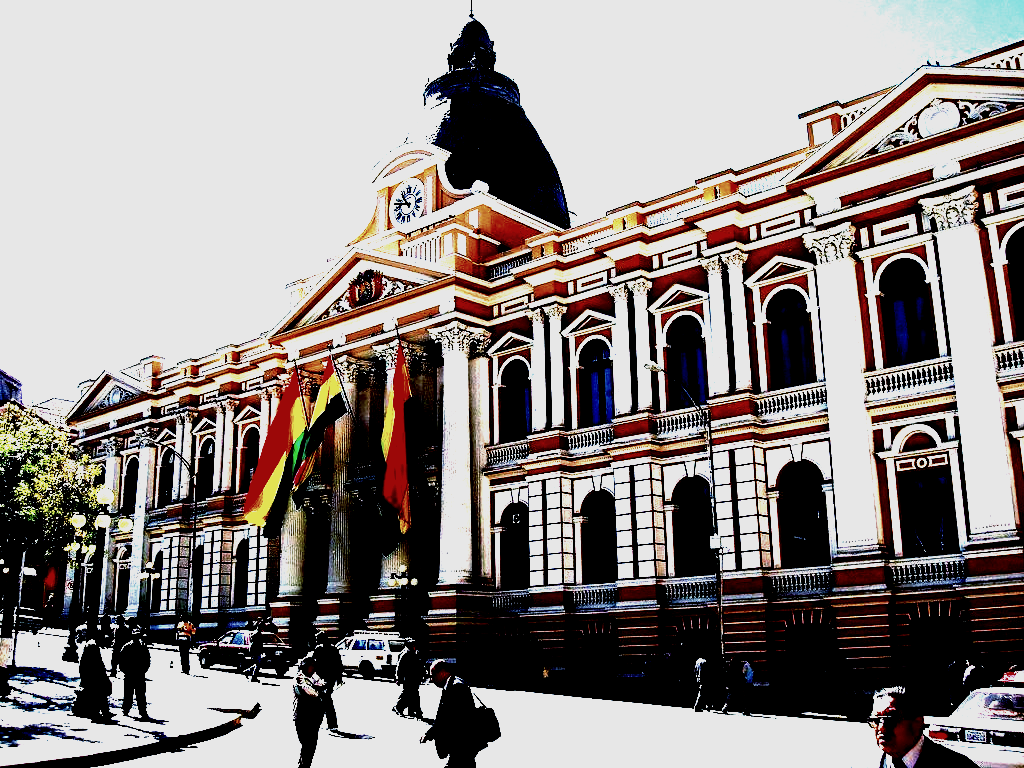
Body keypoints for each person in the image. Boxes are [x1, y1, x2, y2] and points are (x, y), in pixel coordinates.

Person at [869, 686, 979, 767]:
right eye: (876, 720)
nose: (881, 728)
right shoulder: (869, 762)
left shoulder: (958, 765)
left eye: (891, 719)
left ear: (917, 722)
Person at [420, 660, 482, 768]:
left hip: (462, 744)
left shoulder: (456, 687)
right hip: (462, 745)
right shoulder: (452, 684)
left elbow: (451, 719)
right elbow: (443, 716)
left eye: (432, 675)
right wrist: (429, 734)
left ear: (442, 673)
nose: (431, 679)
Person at [293, 654, 328, 768]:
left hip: (315, 716)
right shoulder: (300, 678)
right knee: (306, 743)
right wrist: (319, 690)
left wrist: (323, 687)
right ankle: (303, 764)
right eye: (310, 666)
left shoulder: (314, 676)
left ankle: (304, 765)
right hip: (303, 716)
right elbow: (309, 692)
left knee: (310, 745)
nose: (313, 668)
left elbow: (322, 683)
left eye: (314, 666)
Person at [75, 626, 113, 722]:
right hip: (93, 675)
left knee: (99, 694)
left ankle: (103, 712)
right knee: (99, 694)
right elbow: (97, 664)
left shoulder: (91, 645)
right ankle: (100, 713)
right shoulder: (93, 646)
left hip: (90, 675)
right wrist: (104, 675)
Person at [311, 630, 342, 731]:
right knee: (324, 699)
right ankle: (330, 723)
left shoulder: (319, 649)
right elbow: (339, 665)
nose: (316, 641)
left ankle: (331, 724)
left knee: (325, 700)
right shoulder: (333, 649)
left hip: (323, 678)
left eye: (317, 639)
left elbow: (313, 662)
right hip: (330, 678)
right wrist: (339, 678)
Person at [119, 628, 151, 720]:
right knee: (129, 694)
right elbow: (121, 661)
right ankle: (126, 709)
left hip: (137, 674)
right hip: (131, 674)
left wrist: (143, 671)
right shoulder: (127, 647)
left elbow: (147, 661)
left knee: (139, 694)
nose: (136, 638)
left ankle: (142, 711)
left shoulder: (142, 647)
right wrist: (125, 671)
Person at [394, 638, 424, 719]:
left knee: (413, 694)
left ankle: (412, 711)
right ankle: (399, 707)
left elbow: (420, 665)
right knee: (408, 694)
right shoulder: (405, 654)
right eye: (412, 645)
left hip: (416, 678)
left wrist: (423, 674)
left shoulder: (416, 653)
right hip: (408, 678)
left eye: (415, 645)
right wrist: (398, 678)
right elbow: (399, 667)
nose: (414, 646)